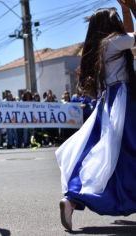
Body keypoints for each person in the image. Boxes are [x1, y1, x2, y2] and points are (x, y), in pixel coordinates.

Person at [56, 0, 136, 231]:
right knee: (125, 154)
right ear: (109, 25)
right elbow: (132, 35)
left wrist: (125, 9)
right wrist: (133, 8)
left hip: (107, 103)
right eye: (117, 20)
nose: (120, 24)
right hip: (122, 101)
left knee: (103, 156)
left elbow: (129, 34)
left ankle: (71, 200)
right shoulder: (113, 42)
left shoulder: (99, 46)